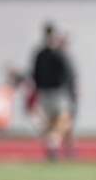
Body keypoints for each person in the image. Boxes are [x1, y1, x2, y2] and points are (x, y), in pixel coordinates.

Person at [30, 24, 77, 162]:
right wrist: (72, 93)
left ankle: (57, 148)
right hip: (58, 94)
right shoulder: (60, 55)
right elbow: (69, 76)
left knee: (53, 123)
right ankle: (54, 146)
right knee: (61, 122)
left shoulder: (40, 54)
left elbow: (34, 75)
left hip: (45, 93)